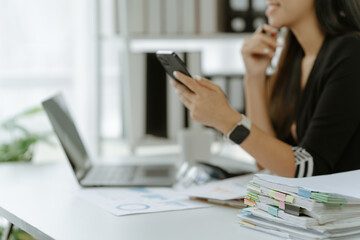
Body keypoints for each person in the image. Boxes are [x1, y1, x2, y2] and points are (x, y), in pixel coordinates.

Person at [172, 0, 360, 178]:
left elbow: (309, 169)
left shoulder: (350, 53)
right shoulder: (296, 59)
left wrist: (227, 121)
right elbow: (268, 164)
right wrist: (254, 78)